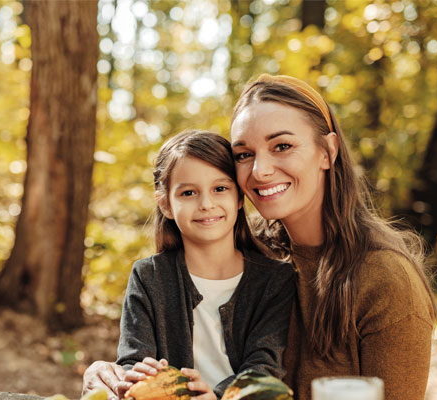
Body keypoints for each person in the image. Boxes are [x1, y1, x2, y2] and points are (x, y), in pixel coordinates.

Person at [226, 74, 437, 400]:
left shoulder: (386, 280)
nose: (259, 170)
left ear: (328, 151)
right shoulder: (244, 256)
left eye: (282, 146)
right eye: (244, 154)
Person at [83, 130, 296, 400]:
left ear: (239, 197)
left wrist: (216, 396)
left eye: (220, 189)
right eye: (188, 193)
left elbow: (264, 367)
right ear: (166, 205)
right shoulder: (149, 276)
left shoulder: (275, 279)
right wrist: (137, 375)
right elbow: (132, 362)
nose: (206, 204)